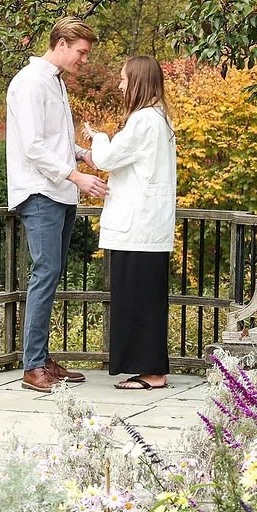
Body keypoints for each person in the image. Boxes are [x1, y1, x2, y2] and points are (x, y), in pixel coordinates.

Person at [7, 16, 105, 393]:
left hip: (60, 192)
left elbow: (55, 140)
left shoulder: (55, 83)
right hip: (40, 193)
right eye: (81, 52)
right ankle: (32, 367)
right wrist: (77, 176)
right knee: (45, 273)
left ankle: (43, 358)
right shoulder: (30, 83)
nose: (84, 59)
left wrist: (84, 154)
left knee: (52, 274)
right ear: (61, 43)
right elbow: (33, 147)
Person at [89, 56, 177, 389]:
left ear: (138, 81)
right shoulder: (160, 119)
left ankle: (152, 372)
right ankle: (152, 369)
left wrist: (97, 136)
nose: (121, 85)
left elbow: (106, 158)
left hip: (138, 228)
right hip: (149, 227)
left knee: (138, 301)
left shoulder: (142, 122)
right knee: (147, 299)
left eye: (124, 79)